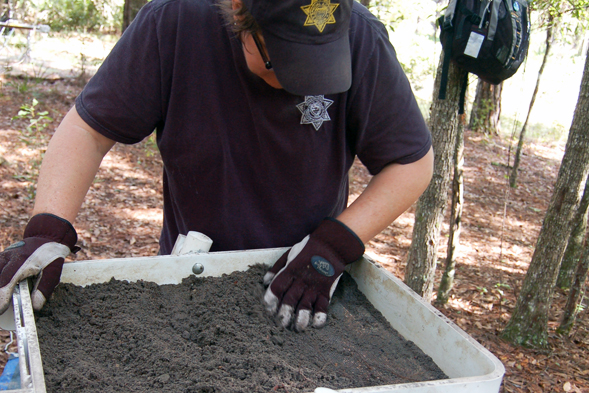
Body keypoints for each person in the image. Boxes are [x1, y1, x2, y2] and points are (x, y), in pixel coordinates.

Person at [0, 0, 433, 332]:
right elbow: (88, 131)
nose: (296, 80)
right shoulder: (176, 21)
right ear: (238, 9)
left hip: (304, 281)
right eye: (282, 58)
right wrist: (49, 228)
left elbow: (411, 163)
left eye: (320, 63)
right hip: (189, 275)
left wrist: (336, 245)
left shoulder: (361, 38)